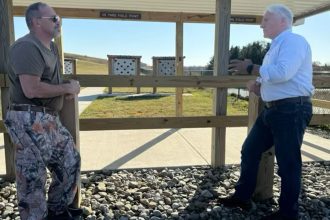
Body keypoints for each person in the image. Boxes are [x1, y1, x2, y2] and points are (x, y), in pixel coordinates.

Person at [218, 4, 314, 220]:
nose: (261, 24)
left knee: (288, 163)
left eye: (266, 19)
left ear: (283, 21)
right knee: (250, 150)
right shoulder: (277, 46)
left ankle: (288, 214)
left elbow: (282, 72)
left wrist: (251, 68)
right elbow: (277, 78)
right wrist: (258, 85)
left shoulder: (293, 41)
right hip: (275, 109)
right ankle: (242, 196)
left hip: (291, 109)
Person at [5, 2, 82, 220]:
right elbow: (31, 89)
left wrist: (66, 87)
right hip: (27, 117)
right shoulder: (27, 47)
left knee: (70, 161)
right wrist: (67, 88)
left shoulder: (52, 48)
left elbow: (48, 82)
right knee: (32, 178)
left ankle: (57, 211)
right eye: (54, 18)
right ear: (37, 22)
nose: (59, 21)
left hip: (49, 118)